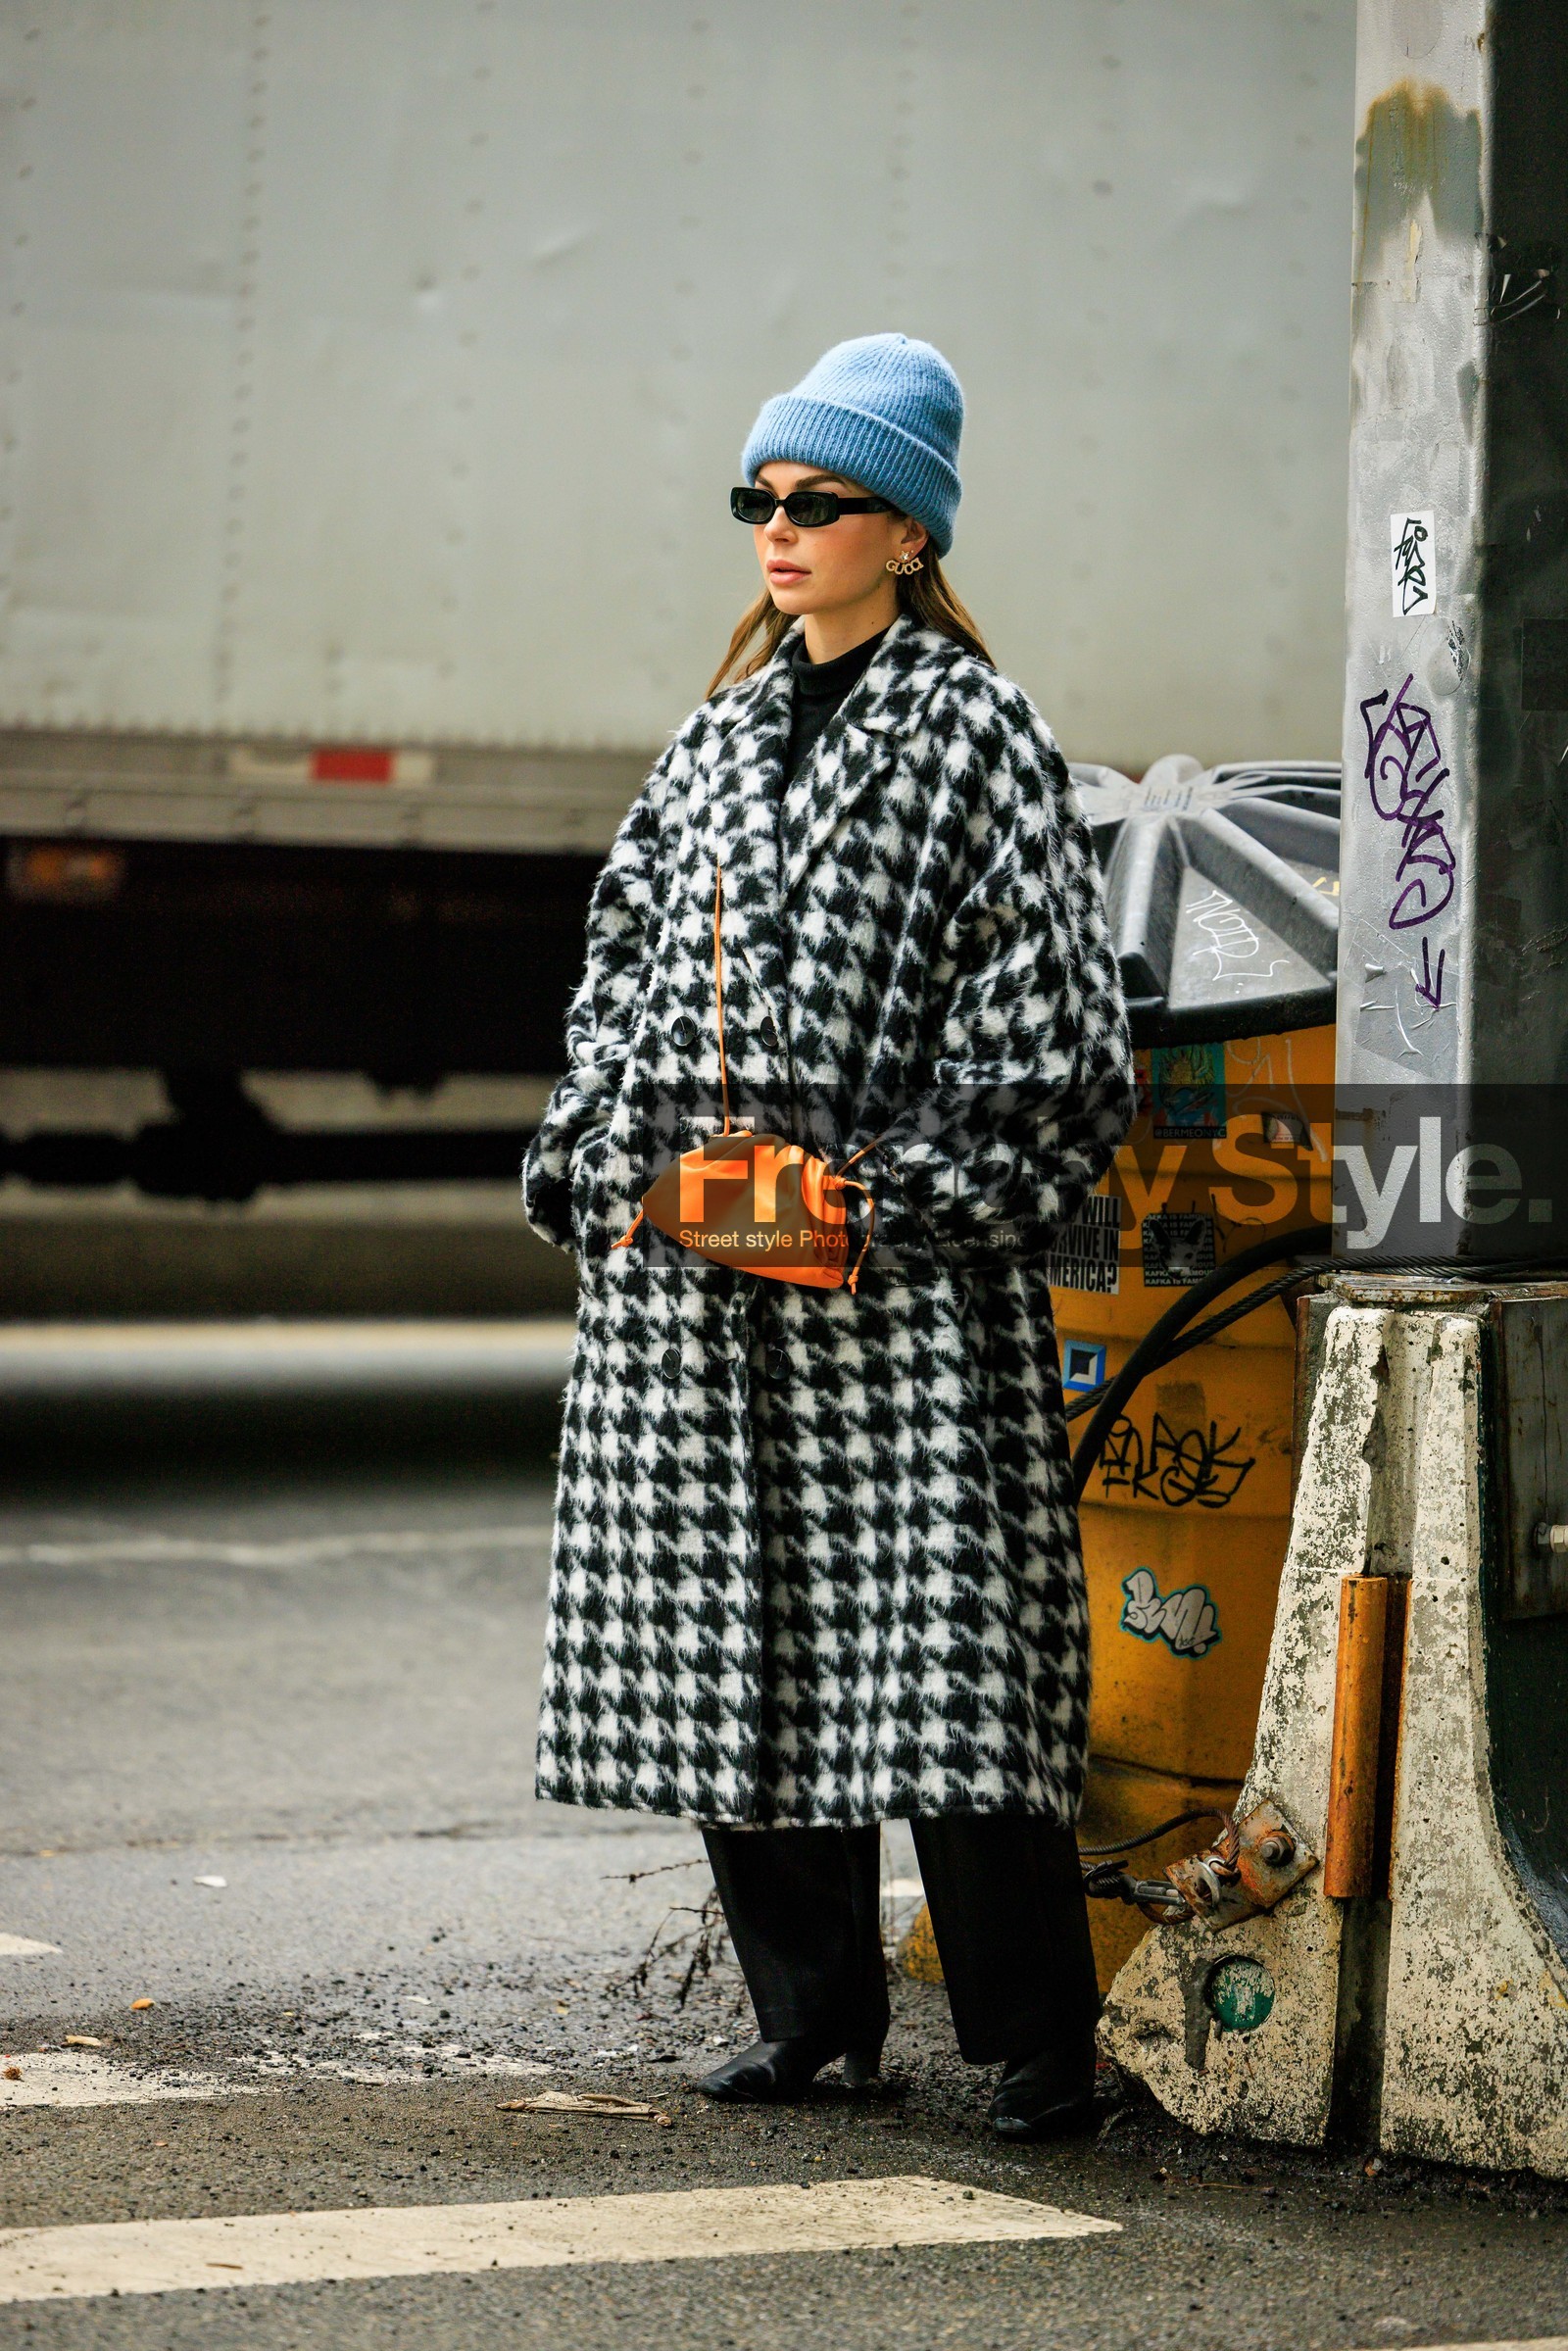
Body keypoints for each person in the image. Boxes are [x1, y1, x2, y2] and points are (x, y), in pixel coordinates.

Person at [523, 333, 1135, 2139]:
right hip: (696, 1277)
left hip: (897, 1292)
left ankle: (1038, 2043)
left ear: (910, 534)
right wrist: (605, 1158)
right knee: (744, 1656)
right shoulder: (715, 735)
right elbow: (619, 963)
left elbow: (1053, 1036)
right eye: (759, 500)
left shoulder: (977, 733)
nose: (779, 530)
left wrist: (878, 1199)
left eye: (820, 501)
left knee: (948, 1670)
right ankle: (810, 2021)